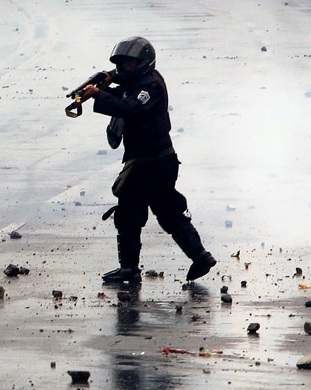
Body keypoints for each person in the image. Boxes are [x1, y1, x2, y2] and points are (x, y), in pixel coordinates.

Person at [81, 36, 216, 285]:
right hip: (159, 161)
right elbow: (122, 89)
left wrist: (100, 95)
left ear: (143, 63)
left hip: (149, 162)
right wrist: (106, 81)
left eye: (131, 64)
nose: (125, 68)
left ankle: (129, 269)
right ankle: (200, 256)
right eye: (122, 64)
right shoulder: (136, 81)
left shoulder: (149, 86)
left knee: (129, 213)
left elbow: (129, 107)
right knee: (168, 210)